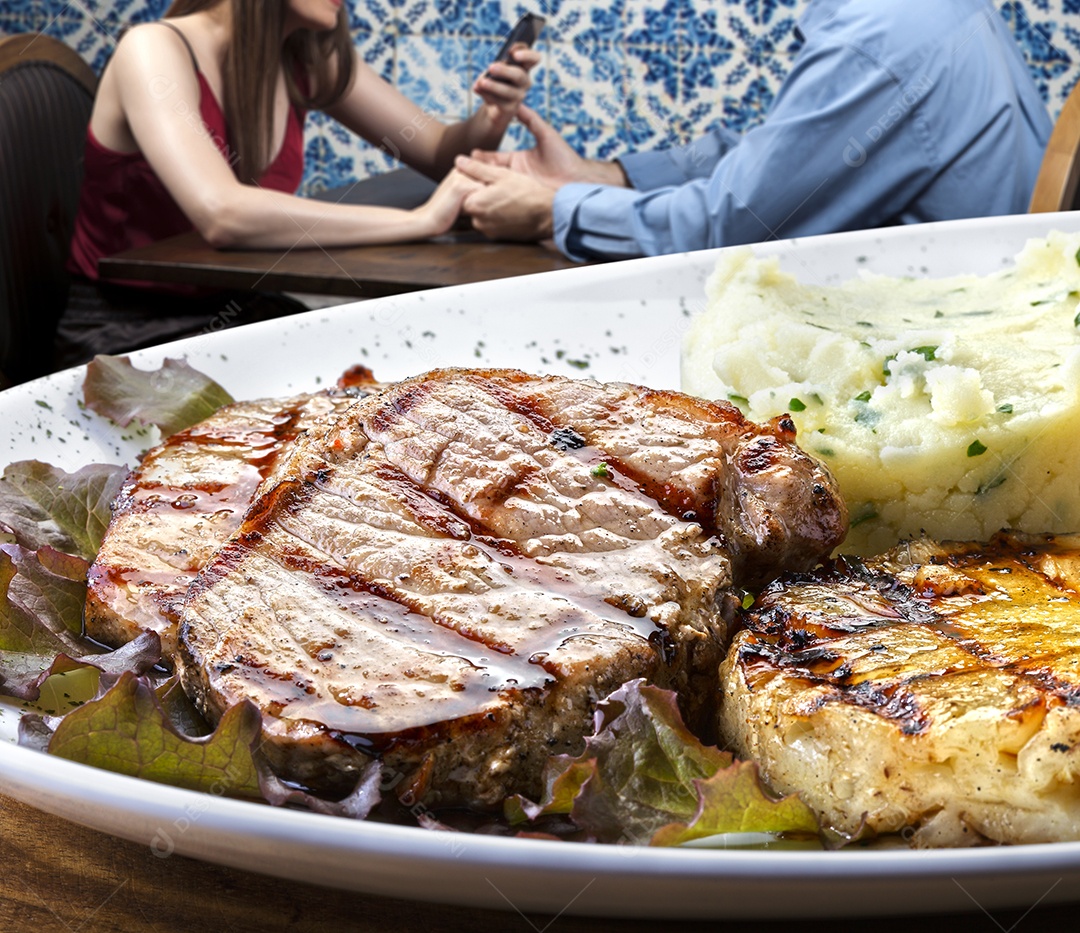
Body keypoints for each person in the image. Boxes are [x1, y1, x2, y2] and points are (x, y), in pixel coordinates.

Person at [59, 0, 539, 366]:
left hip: (234, 309)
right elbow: (223, 214)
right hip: (124, 335)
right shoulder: (151, 48)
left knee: (405, 364)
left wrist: (492, 116)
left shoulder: (302, 56)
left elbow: (439, 152)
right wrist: (421, 220)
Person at [455, 0, 1052, 262]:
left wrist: (554, 211)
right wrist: (603, 176)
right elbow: (782, 153)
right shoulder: (913, 12)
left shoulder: (874, 38)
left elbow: (732, 229)